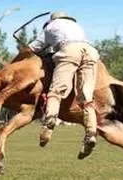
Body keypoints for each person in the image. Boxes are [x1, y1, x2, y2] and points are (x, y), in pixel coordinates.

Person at [28, 11, 100, 158]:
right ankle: (91, 134)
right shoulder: (76, 26)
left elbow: (34, 48)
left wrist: (23, 52)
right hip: (91, 52)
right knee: (86, 98)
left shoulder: (51, 26)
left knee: (56, 92)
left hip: (69, 50)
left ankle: (49, 125)